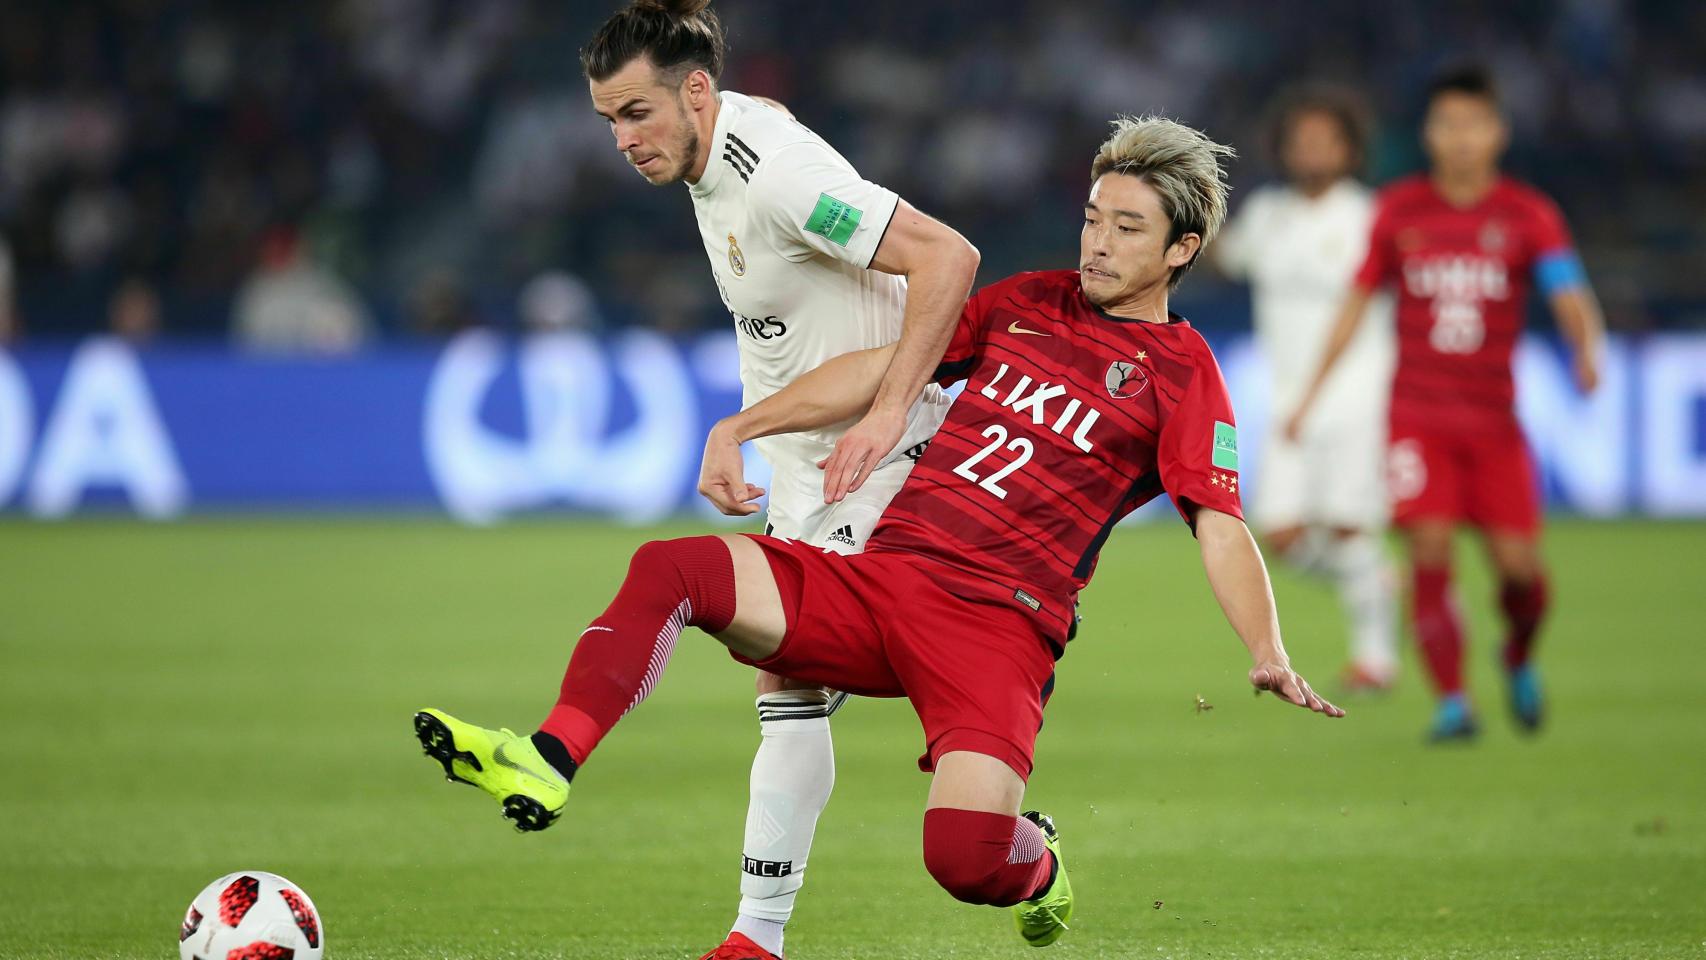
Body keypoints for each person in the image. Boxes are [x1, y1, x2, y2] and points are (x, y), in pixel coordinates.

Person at [413, 115, 1343, 952]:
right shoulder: (1028, 300)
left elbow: (1218, 519)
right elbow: (885, 367)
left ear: (1183, 249)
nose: (1097, 243)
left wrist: (1265, 646)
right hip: (883, 577)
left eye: (1127, 228)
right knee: (675, 569)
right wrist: (744, 425)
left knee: (965, 859)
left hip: (1000, 626)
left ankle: (1041, 863)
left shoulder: (1184, 374)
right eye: (1094, 217)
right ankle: (549, 758)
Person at [437, 3, 979, 958]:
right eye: (610, 120)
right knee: (787, 694)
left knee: (755, 641)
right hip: (809, 470)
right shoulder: (705, 163)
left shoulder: (778, 175)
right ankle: (757, 937)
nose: (623, 139)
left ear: (696, 90)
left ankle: (726, 904)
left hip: (885, 469)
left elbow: (948, 257)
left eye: (637, 113)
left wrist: (891, 407)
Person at [1285, 65, 1604, 741]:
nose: (1459, 138)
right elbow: (1356, 302)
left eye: (1472, 124)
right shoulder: (1400, 211)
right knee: (1429, 549)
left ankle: (1515, 651)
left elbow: (1568, 289)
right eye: (1446, 124)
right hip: (1418, 417)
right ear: (1428, 134)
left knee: (1520, 573)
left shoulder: (1528, 213)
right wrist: (1310, 391)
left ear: (1497, 133)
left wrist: (1586, 350)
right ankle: (1453, 701)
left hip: (1494, 423)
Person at [1216, 86, 1399, 692]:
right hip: (1290, 388)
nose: (1311, 151)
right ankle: (1373, 580)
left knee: (1349, 523)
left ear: (1349, 150)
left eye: (1325, 140)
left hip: (1359, 387)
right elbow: (1224, 257)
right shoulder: (1268, 215)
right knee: (1285, 533)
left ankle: (1376, 658)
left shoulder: (1370, 216)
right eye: (1301, 141)